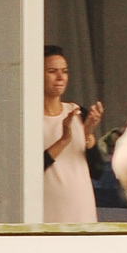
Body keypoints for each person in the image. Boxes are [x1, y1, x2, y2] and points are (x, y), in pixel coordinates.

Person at [41, 44, 102, 224]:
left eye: (65, 71)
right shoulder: (28, 119)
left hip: (81, 212)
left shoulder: (77, 112)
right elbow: (31, 170)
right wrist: (64, 140)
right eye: (52, 71)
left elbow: (97, 170)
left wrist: (88, 135)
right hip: (47, 215)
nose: (60, 77)